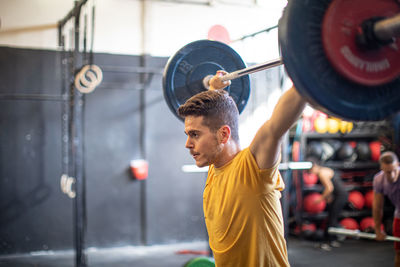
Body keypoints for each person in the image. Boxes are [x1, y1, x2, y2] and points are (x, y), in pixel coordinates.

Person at [177, 70, 306, 267]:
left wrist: (308, 74)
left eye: (194, 134)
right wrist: (215, 89)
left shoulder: (253, 168)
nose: (188, 143)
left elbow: (275, 128)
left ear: (223, 135)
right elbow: (219, 115)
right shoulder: (216, 164)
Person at [306, 157, 348, 251]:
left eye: (310, 170)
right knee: (331, 218)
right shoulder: (325, 170)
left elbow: (329, 188)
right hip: (340, 195)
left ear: (315, 166)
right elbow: (333, 186)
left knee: (331, 219)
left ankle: (326, 242)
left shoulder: (321, 173)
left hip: (340, 196)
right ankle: (332, 240)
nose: (310, 172)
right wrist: (329, 197)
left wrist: (319, 199)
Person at [373, 151, 400, 267]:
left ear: (398, 164)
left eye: (395, 170)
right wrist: (378, 229)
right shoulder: (379, 180)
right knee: (399, 253)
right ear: (382, 168)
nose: (392, 175)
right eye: (388, 172)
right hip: (399, 214)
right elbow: (377, 206)